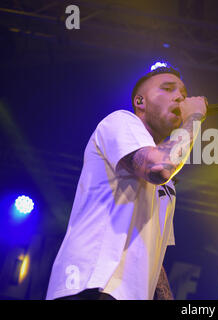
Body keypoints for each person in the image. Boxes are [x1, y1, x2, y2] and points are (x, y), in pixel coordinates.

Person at [45, 63, 207, 300]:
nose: (180, 99)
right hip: (91, 285)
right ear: (140, 101)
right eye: (168, 89)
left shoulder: (168, 183)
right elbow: (159, 167)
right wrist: (193, 117)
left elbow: (151, 249)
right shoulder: (120, 121)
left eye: (183, 94)